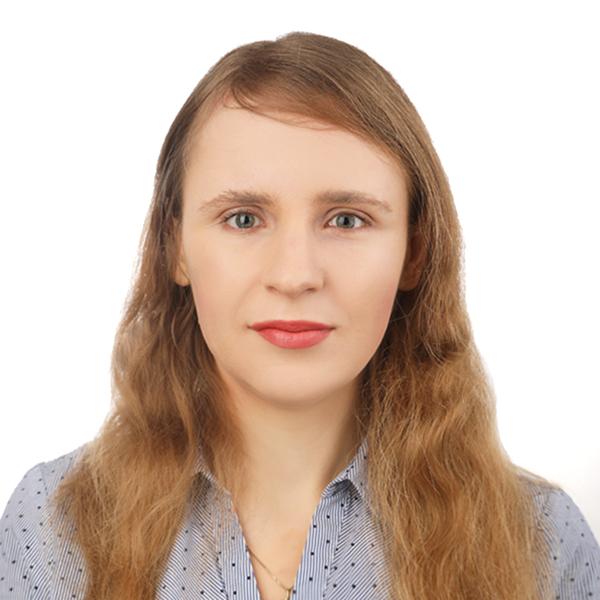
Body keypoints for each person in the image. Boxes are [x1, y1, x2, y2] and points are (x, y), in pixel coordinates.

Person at [1, 31, 598, 600]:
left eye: (347, 220)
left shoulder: (543, 543)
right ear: (174, 247)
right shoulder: (53, 528)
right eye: (243, 218)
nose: (294, 275)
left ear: (414, 252)